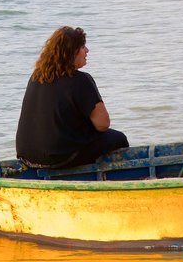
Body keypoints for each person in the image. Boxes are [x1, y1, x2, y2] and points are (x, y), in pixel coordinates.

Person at [15, 26, 129, 169]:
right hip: (60, 158)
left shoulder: (36, 77)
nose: (87, 51)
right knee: (118, 138)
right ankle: (106, 179)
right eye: (82, 47)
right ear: (71, 52)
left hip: (27, 157)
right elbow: (102, 124)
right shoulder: (81, 80)